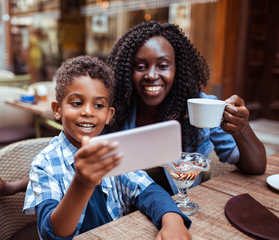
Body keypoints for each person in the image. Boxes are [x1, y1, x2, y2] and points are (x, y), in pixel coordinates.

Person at [22, 55, 191, 239]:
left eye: (98, 105)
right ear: (57, 109)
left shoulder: (115, 152)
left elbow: (148, 191)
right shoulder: (45, 163)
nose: (88, 112)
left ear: (109, 115)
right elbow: (51, 233)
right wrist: (82, 184)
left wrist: (172, 220)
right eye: (77, 103)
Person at [104, 21, 266, 195]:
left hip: (182, 210)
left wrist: (241, 129)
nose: (151, 75)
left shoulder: (200, 107)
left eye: (163, 65)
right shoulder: (116, 108)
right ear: (128, 70)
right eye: (141, 67)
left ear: (177, 68)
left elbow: (256, 167)